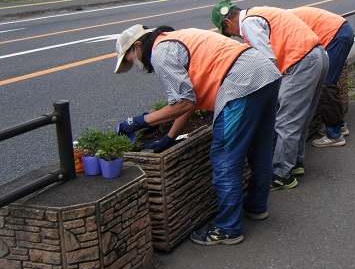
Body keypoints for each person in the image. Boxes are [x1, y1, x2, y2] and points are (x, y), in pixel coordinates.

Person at [114, 24, 281, 246]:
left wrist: (138, 121)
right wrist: (169, 138)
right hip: (264, 72)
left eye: (131, 57)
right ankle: (256, 206)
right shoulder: (176, 39)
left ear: (138, 45)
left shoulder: (160, 52)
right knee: (260, 148)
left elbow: (182, 102)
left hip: (241, 81)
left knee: (224, 156)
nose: (136, 63)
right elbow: (188, 102)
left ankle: (228, 228)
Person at [210, 0, 328, 190]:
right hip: (318, 56)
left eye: (228, 32)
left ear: (227, 22)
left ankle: (282, 174)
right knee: (301, 118)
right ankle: (295, 164)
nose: (234, 36)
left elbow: (266, 59)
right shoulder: (259, 11)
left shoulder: (248, 23)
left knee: (286, 121)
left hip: (300, 63)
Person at [290, 6, 354, 148]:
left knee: (326, 85)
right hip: (341, 30)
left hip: (336, 36)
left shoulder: (283, 26)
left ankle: (335, 134)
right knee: (329, 83)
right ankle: (339, 125)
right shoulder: (285, 16)